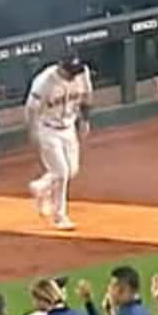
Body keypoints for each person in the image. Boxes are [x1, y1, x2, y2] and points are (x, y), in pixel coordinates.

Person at [25, 55, 91, 230]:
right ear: (61, 67)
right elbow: (31, 109)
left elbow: (86, 97)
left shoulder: (82, 74)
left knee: (72, 171)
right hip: (47, 129)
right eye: (70, 72)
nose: (73, 76)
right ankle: (59, 217)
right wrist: (33, 131)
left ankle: (41, 187)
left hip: (68, 127)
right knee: (61, 173)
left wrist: (84, 120)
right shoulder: (44, 82)